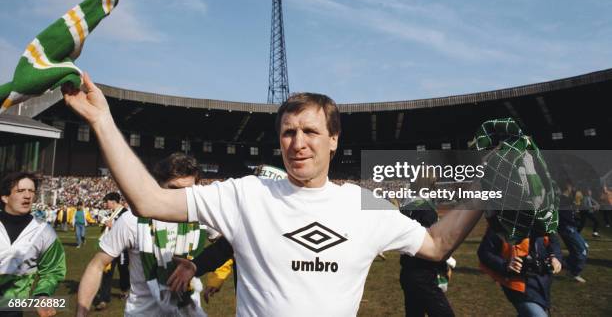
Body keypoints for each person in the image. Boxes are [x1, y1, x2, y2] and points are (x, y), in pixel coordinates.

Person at [64, 74, 485, 316]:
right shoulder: (246, 195)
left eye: (311, 131)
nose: (298, 142)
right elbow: (149, 202)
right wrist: (102, 120)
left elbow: (435, 244)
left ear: (334, 139)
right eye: (288, 132)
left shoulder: (365, 205)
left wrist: (492, 188)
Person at [76, 153, 223, 316]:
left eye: (188, 190)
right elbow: (97, 265)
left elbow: (227, 246)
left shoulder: (201, 215)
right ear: (159, 185)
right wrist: (81, 313)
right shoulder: (132, 219)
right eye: (174, 188)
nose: (181, 196)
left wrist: (218, 277)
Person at [0, 172, 66, 317]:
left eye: (31, 191)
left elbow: (53, 270)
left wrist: (42, 294)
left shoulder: (44, 231)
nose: (27, 195)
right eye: (20, 191)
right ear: (5, 197)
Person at [478, 221, 562, 317]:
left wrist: (555, 257)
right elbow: (484, 252)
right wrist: (506, 265)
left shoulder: (544, 216)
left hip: (542, 280)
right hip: (517, 283)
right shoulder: (501, 219)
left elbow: (553, 242)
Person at [399, 176, 455, 317]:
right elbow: (429, 244)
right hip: (423, 273)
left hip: (408, 270)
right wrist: (444, 267)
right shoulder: (426, 210)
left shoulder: (407, 207)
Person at [92, 192, 130, 310]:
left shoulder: (125, 213)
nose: (105, 204)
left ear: (113, 201)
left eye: (107, 202)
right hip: (110, 248)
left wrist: (111, 225)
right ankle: (104, 299)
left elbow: (127, 229)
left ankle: (125, 290)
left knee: (123, 270)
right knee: (107, 272)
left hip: (122, 249)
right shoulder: (112, 213)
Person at [558, 183, 588, 283]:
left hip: (570, 228)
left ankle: (565, 265)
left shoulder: (566, 200)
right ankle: (574, 273)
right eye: (572, 186)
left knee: (582, 249)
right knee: (581, 251)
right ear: (568, 187)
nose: (574, 189)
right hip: (567, 229)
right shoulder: (563, 199)